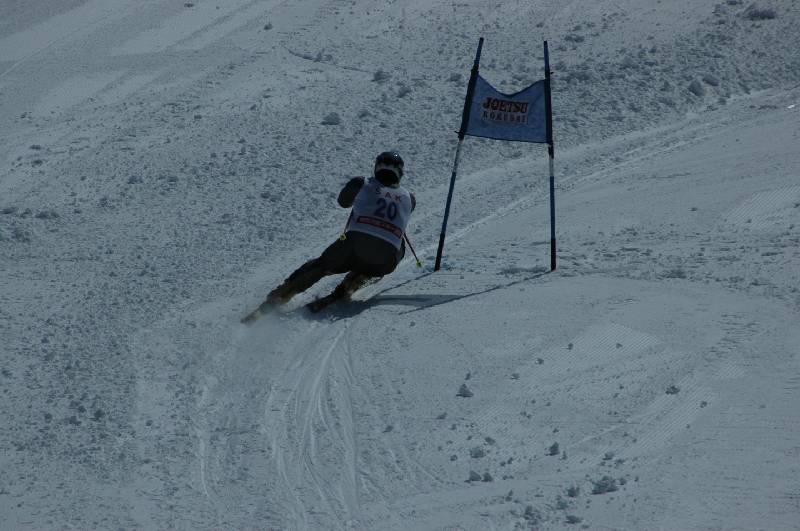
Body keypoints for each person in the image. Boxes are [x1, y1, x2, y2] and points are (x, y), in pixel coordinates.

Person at [244, 151, 416, 320]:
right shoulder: (410, 198)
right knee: (396, 245)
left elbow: (343, 202)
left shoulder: (361, 183)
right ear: (400, 173)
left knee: (321, 265)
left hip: (353, 246)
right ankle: (352, 283)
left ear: (377, 167)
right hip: (386, 260)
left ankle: (280, 296)